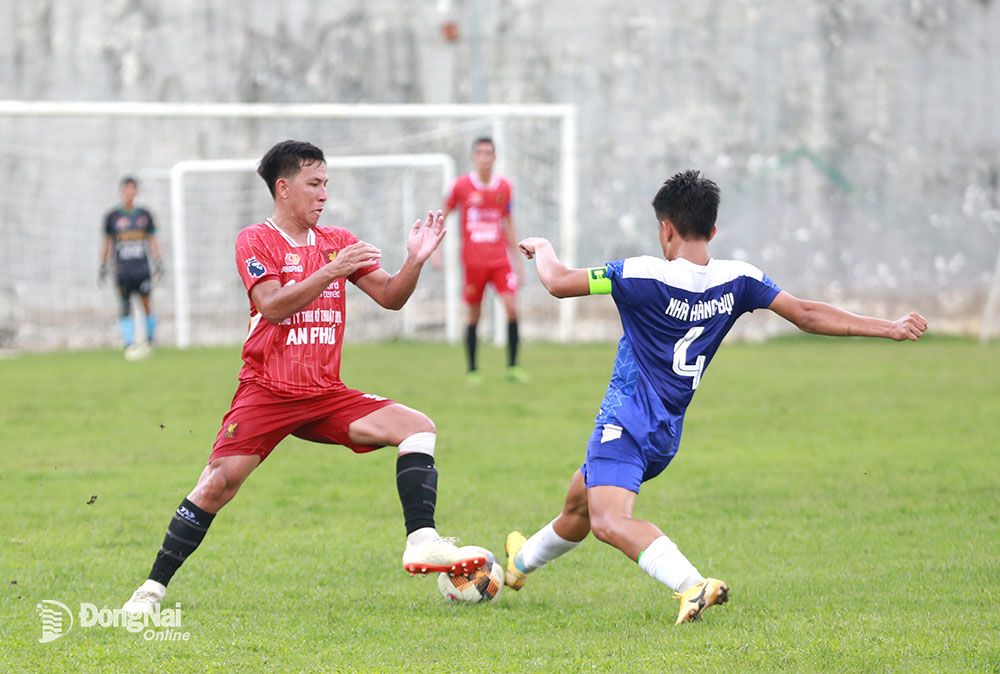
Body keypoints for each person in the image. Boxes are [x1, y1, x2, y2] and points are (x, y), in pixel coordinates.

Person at [504, 170, 927, 625]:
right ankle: (516, 568)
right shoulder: (739, 279)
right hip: (665, 433)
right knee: (578, 506)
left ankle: (692, 584)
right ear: (713, 229)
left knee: (608, 521)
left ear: (666, 228)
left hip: (625, 422)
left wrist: (542, 247)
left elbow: (558, 282)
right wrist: (888, 327)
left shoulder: (640, 273)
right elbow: (806, 313)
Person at [122, 140, 487, 614]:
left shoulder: (338, 240)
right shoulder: (256, 240)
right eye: (314, 184)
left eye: (325, 184)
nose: (323, 194)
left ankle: (421, 541)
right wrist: (331, 271)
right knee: (217, 483)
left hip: (325, 394)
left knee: (418, 428)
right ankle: (151, 589)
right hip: (268, 390)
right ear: (284, 188)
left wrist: (415, 260)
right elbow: (272, 306)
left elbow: (392, 297)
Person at [441, 136, 527, 383]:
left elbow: (508, 223)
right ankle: (472, 370)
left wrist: (518, 261)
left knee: (512, 308)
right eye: (480, 153)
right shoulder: (460, 186)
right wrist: (434, 251)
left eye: (489, 153)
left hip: (500, 260)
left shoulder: (504, 187)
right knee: (473, 315)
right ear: (473, 157)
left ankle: (512, 368)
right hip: (473, 262)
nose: (485, 158)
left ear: (495, 157)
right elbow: (443, 215)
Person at [99, 176, 162, 360]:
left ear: (136, 192)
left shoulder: (144, 215)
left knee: (146, 303)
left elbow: (152, 240)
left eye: (132, 189)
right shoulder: (112, 216)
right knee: (125, 305)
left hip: (142, 269)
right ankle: (129, 344)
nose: (129, 193)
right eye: (126, 189)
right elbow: (107, 242)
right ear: (122, 192)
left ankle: (149, 341)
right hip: (122, 270)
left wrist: (158, 262)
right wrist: (103, 264)